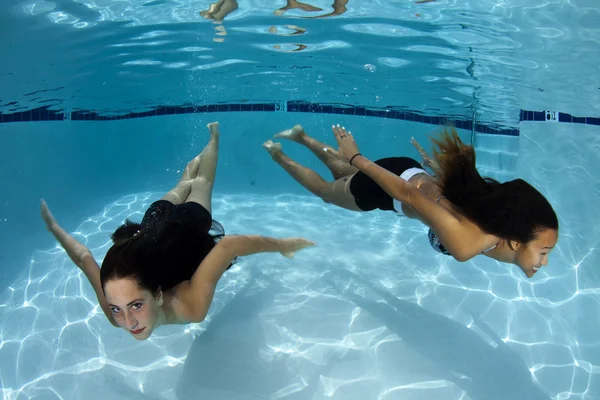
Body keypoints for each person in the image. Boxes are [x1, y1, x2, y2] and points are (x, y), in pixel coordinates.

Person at [40, 122, 315, 340]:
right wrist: (53, 227)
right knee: (184, 184)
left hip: (188, 225)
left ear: (158, 295)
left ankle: (214, 137)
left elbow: (229, 245)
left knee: (201, 181)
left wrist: (281, 245)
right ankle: (188, 175)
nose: (128, 322)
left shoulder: (189, 305)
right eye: (117, 309)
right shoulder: (121, 310)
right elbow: (84, 259)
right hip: (158, 225)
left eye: (136, 305)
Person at [263, 124, 558, 278]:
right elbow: (409, 195)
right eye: (543, 252)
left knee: (343, 173)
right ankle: (278, 154)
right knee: (328, 191)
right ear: (517, 241)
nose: (545, 262)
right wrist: (357, 156)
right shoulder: (468, 243)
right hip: (394, 188)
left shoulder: (495, 219)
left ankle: (302, 137)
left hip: (407, 169)